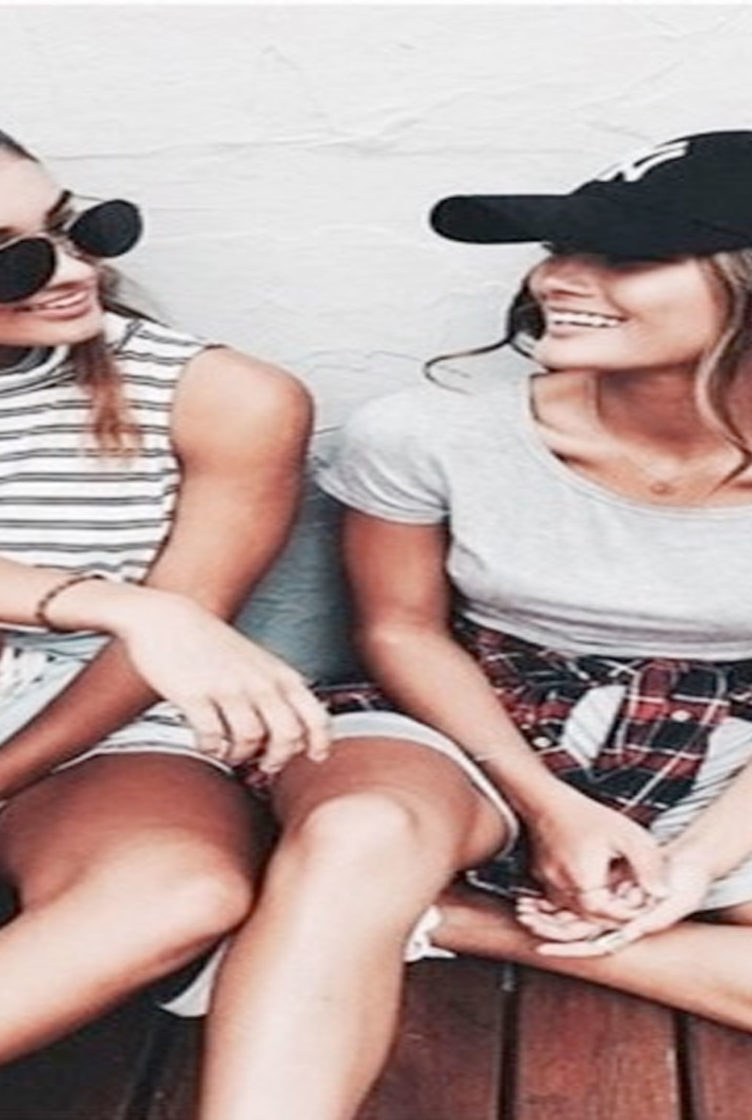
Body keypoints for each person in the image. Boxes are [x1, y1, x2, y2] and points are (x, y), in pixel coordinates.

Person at [194, 132, 752, 1120]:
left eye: (624, 255)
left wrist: (698, 863)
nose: (559, 280)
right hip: (478, 715)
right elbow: (402, 632)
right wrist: (548, 805)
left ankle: (459, 920)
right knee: (359, 834)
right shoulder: (428, 433)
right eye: (562, 248)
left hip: (727, 753)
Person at [0, 101, 331, 1098]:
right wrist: (118, 601)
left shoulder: (223, 395)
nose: (70, 271)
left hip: (92, 715)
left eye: (74, 228)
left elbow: (169, 646)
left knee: (181, 894)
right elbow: (152, 620)